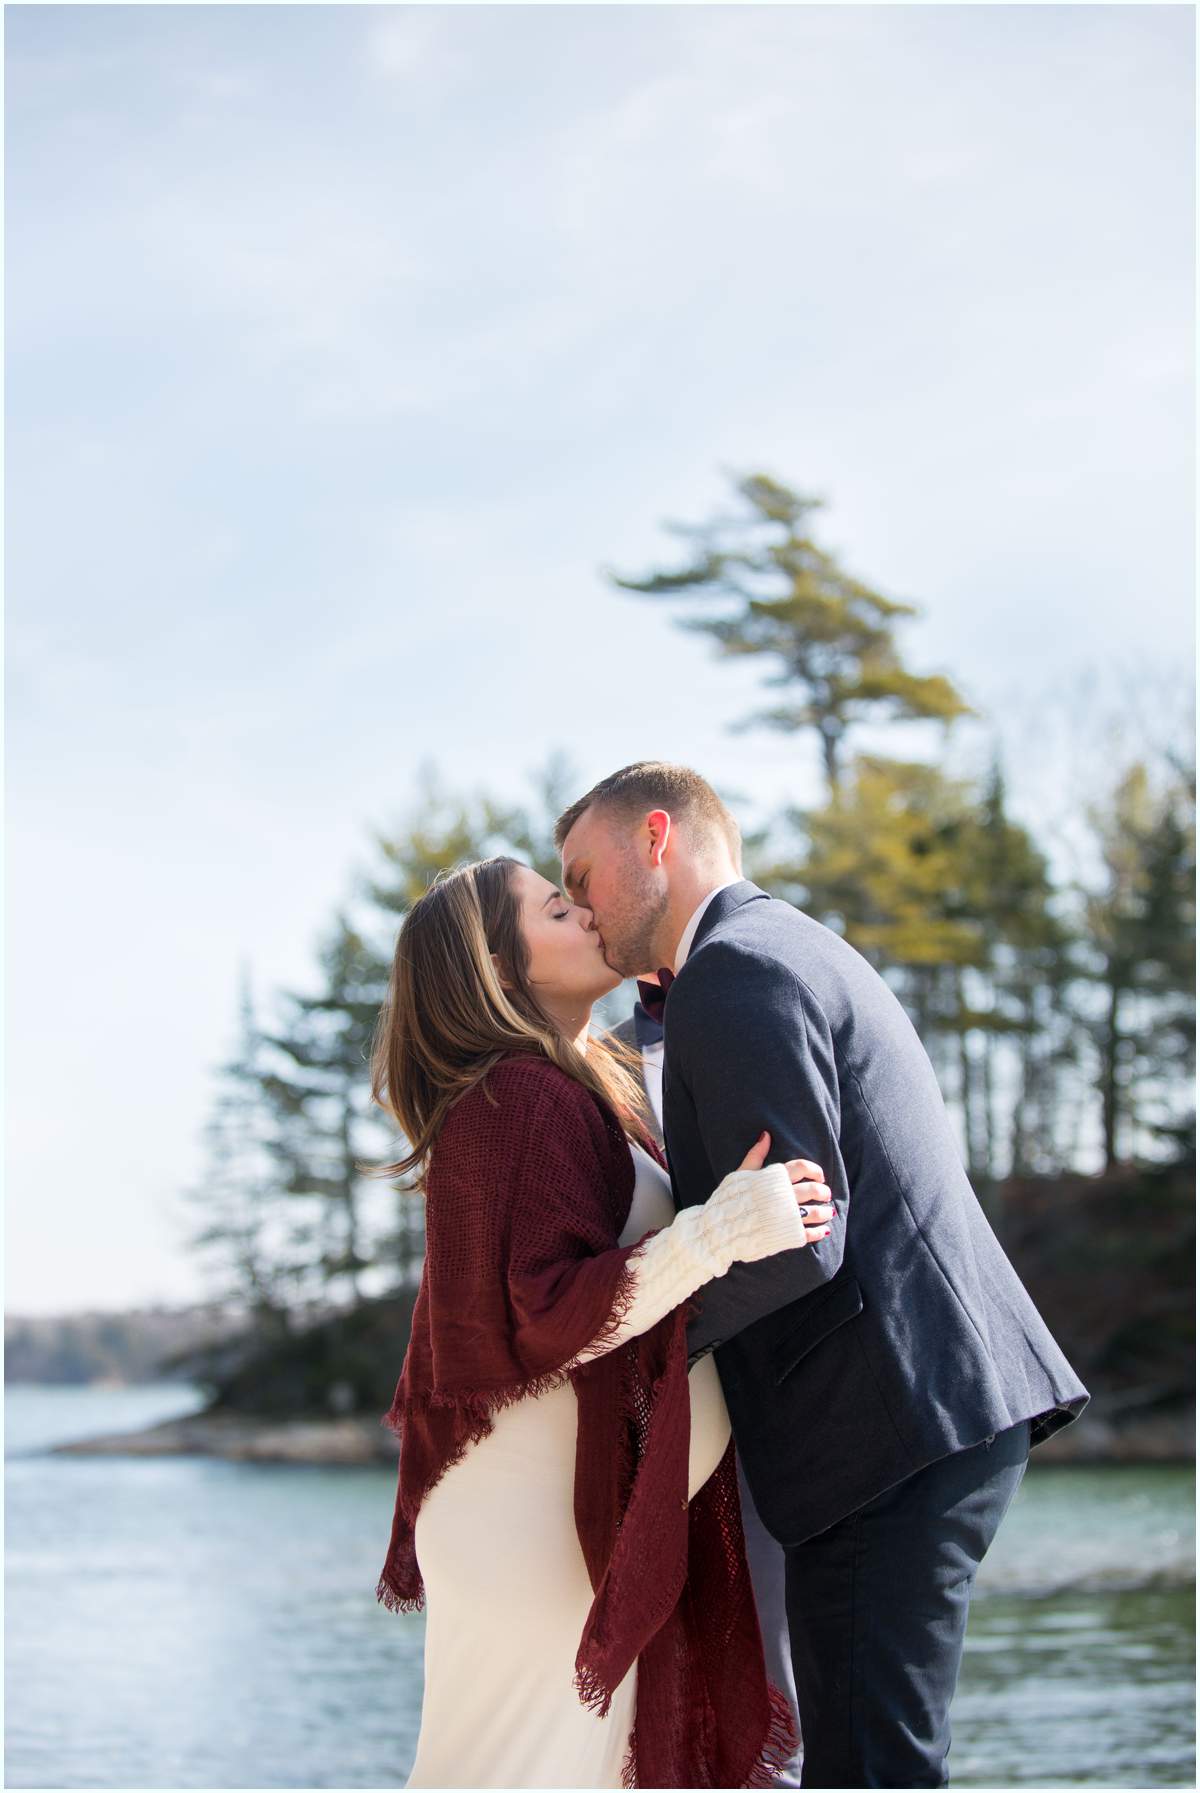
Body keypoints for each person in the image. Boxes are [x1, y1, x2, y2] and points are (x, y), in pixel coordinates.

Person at [556, 761, 1091, 1791]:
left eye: (584, 872)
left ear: (656, 837)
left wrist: (638, 1348)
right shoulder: (771, 949)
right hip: (914, 1420)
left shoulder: (736, 968)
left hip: (887, 1433)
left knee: (872, 1772)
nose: (579, 902)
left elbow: (802, 1234)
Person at [367, 855, 835, 1789]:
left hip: (555, 1515)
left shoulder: (575, 1087)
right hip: (531, 1523)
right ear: (502, 971)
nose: (587, 914)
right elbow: (540, 1317)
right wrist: (722, 1230)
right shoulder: (516, 1098)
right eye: (556, 909)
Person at [611, 979, 804, 1788]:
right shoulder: (595, 1061)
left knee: (770, 1678)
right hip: (638, 1414)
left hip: (774, 1398)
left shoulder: (764, 1011)